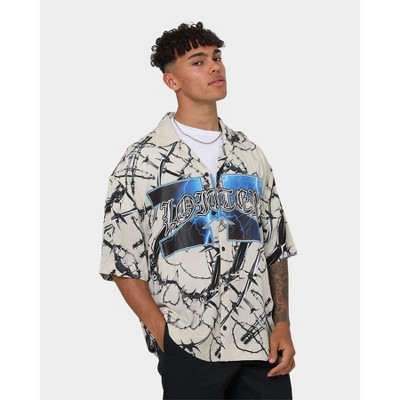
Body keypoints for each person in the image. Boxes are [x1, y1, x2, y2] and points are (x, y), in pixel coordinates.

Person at [99, 21, 298, 400]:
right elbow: (121, 261)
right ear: (171, 80)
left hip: (258, 343)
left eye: (217, 57)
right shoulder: (141, 161)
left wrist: (282, 324)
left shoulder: (249, 154)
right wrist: (166, 336)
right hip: (189, 344)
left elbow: (275, 247)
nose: (215, 67)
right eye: (198, 61)